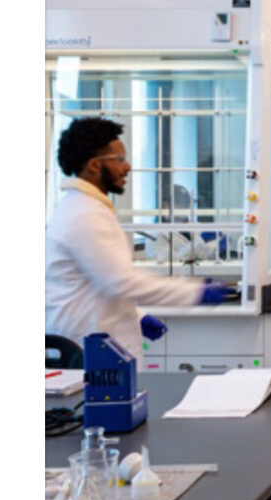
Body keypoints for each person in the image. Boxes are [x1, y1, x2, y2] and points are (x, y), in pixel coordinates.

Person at [46, 118, 228, 363]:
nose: (128, 167)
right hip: (89, 351)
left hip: (98, 344)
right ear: (93, 166)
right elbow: (122, 281)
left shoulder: (84, 208)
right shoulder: (84, 214)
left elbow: (100, 280)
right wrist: (195, 292)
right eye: (119, 159)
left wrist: (137, 315)